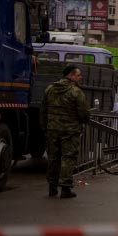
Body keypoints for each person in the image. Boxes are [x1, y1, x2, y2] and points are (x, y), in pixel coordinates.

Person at [41, 64, 91, 199]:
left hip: (52, 129)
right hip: (70, 131)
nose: (80, 78)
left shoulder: (50, 89)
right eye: (78, 75)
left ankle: (52, 187)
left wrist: (45, 126)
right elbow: (84, 113)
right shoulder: (76, 92)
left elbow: (43, 110)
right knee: (68, 158)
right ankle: (65, 188)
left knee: (53, 157)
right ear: (70, 75)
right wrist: (83, 122)